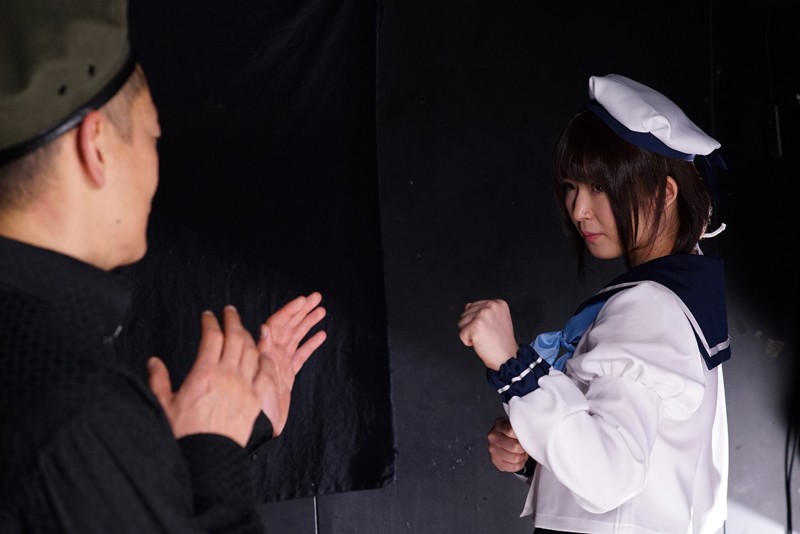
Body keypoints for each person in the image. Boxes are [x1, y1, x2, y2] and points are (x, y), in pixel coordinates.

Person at [0, 0, 327, 532]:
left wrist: (226, 434)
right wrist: (213, 451)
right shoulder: (77, 415)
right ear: (96, 146)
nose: (156, 164)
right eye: (153, 136)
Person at [458, 74, 730, 534]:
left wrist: (511, 365)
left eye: (600, 186)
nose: (579, 209)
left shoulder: (650, 306)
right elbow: (646, 462)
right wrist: (535, 452)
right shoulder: (673, 294)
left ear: (664, 192)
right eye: (572, 186)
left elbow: (609, 479)